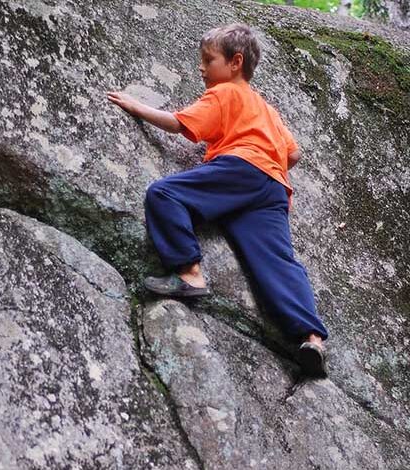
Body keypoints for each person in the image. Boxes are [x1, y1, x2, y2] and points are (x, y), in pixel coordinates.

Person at [107, 24, 329, 376]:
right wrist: (267, 161)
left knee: (164, 194)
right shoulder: (266, 109)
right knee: (276, 261)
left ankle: (189, 273)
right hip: (271, 188)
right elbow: (294, 154)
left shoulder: (225, 93)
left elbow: (180, 124)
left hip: (241, 169)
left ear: (235, 62)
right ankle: (312, 338)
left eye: (208, 60)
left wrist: (137, 107)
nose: (201, 68)